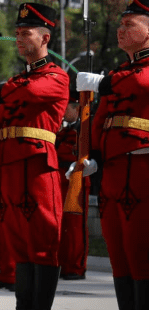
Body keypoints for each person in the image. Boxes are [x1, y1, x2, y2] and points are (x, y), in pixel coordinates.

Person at [0, 2, 69, 310]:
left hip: (39, 166)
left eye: (25, 33)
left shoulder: (56, 75)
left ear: (45, 37)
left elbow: (32, 92)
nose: (19, 39)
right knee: (19, 246)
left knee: (42, 245)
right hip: (12, 165)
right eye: (17, 34)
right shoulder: (20, 78)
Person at [76, 0, 149, 310]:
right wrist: (93, 155)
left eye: (129, 24)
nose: (120, 30)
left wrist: (105, 83)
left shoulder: (128, 74)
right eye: (120, 25)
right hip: (115, 170)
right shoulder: (121, 71)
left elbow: (143, 85)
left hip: (142, 167)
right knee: (120, 253)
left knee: (140, 253)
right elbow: (102, 118)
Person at [56, 90, 88, 281]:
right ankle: (63, 263)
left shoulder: (84, 128)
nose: (62, 111)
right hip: (60, 179)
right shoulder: (64, 129)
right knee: (61, 226)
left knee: (75, 227)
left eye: (66, 108)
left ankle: (75, 267)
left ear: (77, 109)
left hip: (76, 180)